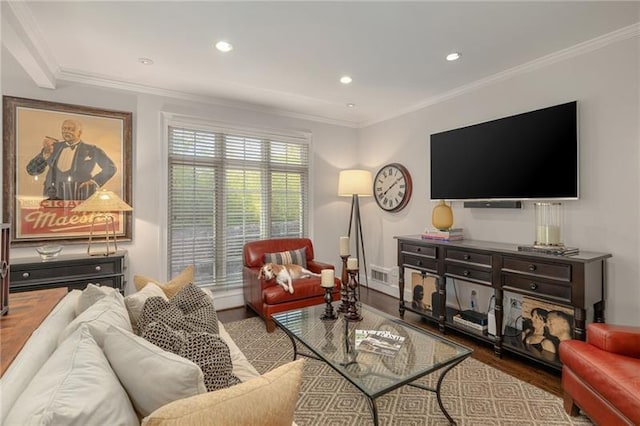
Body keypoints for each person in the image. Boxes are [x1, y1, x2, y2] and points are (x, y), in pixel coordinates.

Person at [26, 119, 117, 200]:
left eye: (71, 129)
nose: (66, 132)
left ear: (79, 133)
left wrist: (94, 181)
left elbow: (111, 167)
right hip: (52, 195)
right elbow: (32, 170)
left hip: (79, 195)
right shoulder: (52, 148)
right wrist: (45, 155)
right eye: (64, 129)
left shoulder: (91, 149)